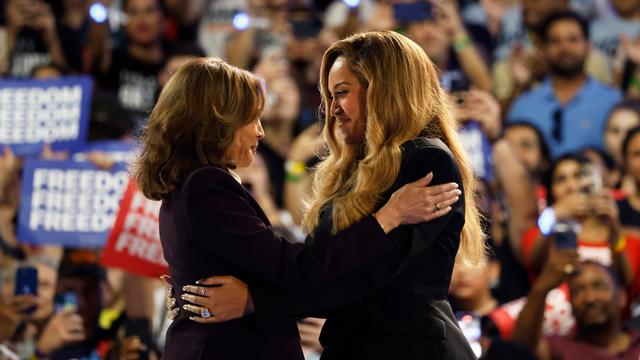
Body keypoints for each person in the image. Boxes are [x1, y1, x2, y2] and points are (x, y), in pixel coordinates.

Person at [175, 31, 484, 359]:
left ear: (385, 91)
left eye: (342, 93)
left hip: (413, 348)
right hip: (349, 346)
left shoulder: (428, 160)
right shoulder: (347, 172)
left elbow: (370, 276)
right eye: (329, 96)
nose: (332, 109)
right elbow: (316, 264)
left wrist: (255, 301)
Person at [506, 11, 622, 158]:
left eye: (573, 40)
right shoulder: (523, 105)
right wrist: (518, 86)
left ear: (588, 46)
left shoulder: (612, 101)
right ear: (543, 48)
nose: (565, 48)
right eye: (555, 41)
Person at [512, 256, 640, 359]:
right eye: (578, 291)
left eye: (599, 286)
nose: (590, 298)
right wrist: (541, 289)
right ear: (570, 303)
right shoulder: (560, 349)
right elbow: (522, 350)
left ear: (622, 296)